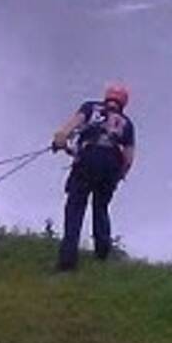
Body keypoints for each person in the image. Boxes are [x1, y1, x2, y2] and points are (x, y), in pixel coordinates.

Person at [51, 82, 135, 271]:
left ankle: (67, 261)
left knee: (75, 207)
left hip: (87, 160)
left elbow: (70, 127)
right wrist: (118, 176)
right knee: (101, 207)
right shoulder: (127, 124)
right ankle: (102, 254)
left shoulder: (90, 108)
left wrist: (61, 139)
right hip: (110, 165)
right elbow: (129, 157)